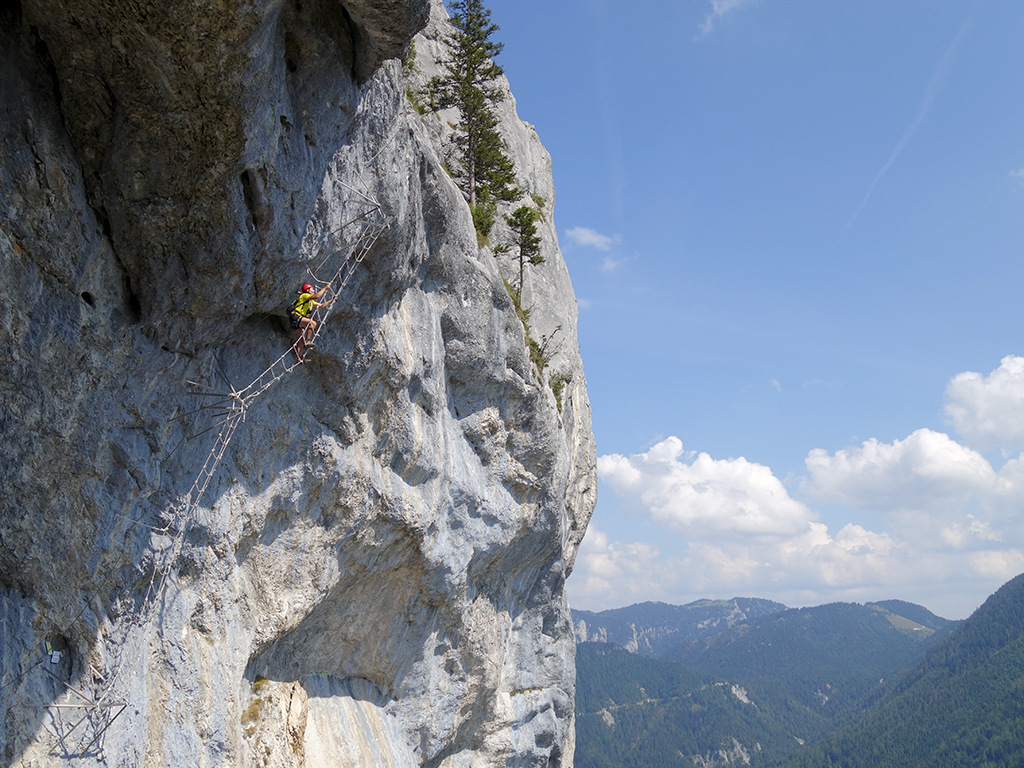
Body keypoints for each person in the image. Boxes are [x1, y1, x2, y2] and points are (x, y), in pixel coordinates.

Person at [290, 283, 334, 362]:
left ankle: (299, 358)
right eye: (312, 289)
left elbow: (321, 306)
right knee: (312, 323)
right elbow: (317, 296)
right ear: (307, 290)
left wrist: (332, 300)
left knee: (300, 341)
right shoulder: (304, 296)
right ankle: (308, 340)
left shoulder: (311, 301)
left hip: (296, 320)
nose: (313, 290)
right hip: (297, 317)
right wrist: (325, 288)